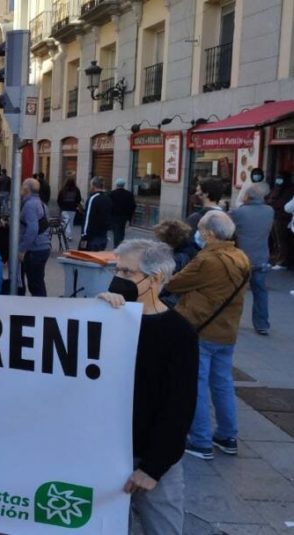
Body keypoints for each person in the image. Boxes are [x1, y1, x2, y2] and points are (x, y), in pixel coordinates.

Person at [96, 239, 198, 535]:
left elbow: (179, 406)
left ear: (155, 279)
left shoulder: (178, 333)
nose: (118, 279)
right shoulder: (107, 319)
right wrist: (95, 313)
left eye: (127, 273)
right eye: (116, 271)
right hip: (105, 454)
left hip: (151, 460)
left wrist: (153, 468)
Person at [166, 211, 250, 461]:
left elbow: (174, 284)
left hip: (201, 328)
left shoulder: (207, 260)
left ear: (209, 234)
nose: (198, 235)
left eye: (201, 231)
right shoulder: (241, 257)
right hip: (227, 330)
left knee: (197, 384)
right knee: (222, 383)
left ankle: (201, 440)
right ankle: (227, 435)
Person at [230, 182, 274, 335]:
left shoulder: (240, 212)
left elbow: (228, 226)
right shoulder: (269, 211)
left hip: (242, 258)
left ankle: (231, 321)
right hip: (261, 257)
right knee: (260, 292)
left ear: (247, 196)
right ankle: (262, 324)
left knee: (236, 292)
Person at [18, 178, 51, 296]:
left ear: (26, 189)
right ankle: (42, 308)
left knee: (35, 284)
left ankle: (41, 309)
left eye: (22, 186)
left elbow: (32, 229)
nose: (20, 189)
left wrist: (22, 249)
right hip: (42, 247)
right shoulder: (41, 203)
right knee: (38, 282)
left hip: (34, 249)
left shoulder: (30, 205)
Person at [267, 172, 294, 269]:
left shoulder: (289, 190)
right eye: (277, 178)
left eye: (281, 178)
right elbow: (269, 200)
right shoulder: (276, 188)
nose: (278, 180)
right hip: (274, 217)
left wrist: (272, 204)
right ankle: (275, 258)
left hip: (283, 219)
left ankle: (282, 261)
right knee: (274, 239)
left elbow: (284, 205)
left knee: (282, 241)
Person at [81, 176, 113, 251]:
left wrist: (84, 236)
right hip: (103, 236)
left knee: (85, 259)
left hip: (91, 237)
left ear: (93, 186)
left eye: (90, 185)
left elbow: (87, 218)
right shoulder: (107, 199)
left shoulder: (93, 199)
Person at [109, 178, 137, 247]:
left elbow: (108, 206)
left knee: (116, 232)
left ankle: (117, 246)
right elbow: (133, 206)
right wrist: (129, 217)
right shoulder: (129, 194)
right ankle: (120, 244)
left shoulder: (112, 194)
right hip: (124, 217)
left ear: (116, 185)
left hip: (114, 216)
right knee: (121, 231)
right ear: (124, 185)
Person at [57, 178, 83, 243]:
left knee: (66, 221)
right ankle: (69, 235)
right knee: (71, 222)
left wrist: (61, 206)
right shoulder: (76, 190)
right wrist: (76, 205)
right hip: (73, 209)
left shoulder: (63, 190)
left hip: (64, 208)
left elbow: (59, 199)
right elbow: (79, 199)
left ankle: (68, 234)